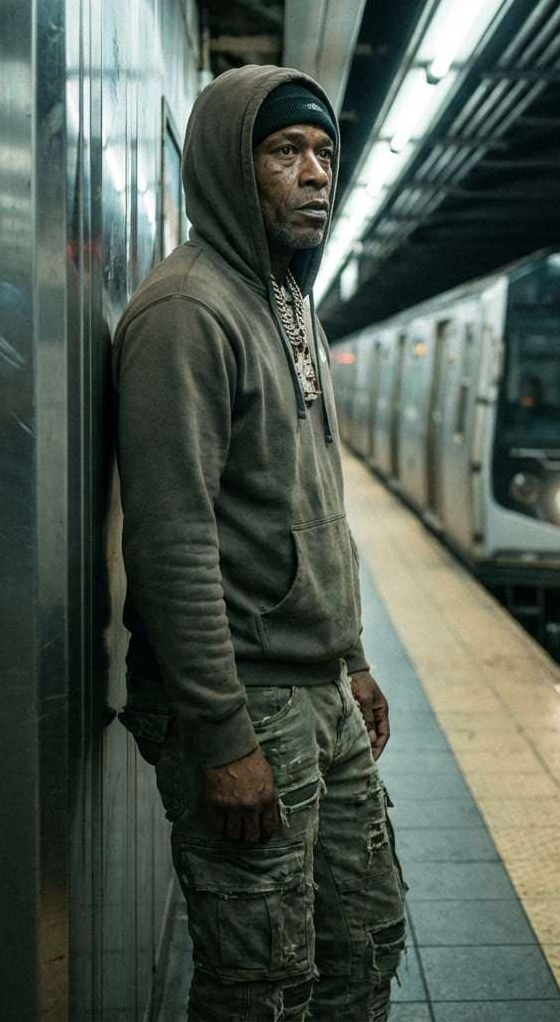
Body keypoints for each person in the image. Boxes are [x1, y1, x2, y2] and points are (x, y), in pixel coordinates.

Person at [113, 66, 406, 1022]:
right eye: (286, 152)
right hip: (246, 697)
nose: (316, 174)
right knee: (263, 984)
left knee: (365, 941)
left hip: (316, 686)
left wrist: (351, 656)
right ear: (228, 168)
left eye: (324, 153)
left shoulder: (288, 302)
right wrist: (223, 734)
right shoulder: (188, 312)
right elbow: (172, 540)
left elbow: (309, 499)